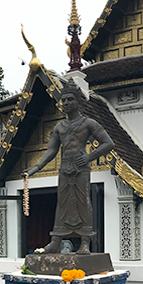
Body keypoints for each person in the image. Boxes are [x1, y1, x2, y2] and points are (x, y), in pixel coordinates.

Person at [24, 83, 115, 255]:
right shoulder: (59, 128)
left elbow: (109, 143)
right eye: (63, 100)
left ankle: (85, 242)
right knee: (62, 203)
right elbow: (51, 151)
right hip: (64, 168)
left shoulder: (89, 123)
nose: (66, 103)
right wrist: (36, 167)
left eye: (70, 99)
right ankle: (55, 241)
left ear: (78, 102)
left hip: (81, 167)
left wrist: (89, 157)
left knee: (83, 201)